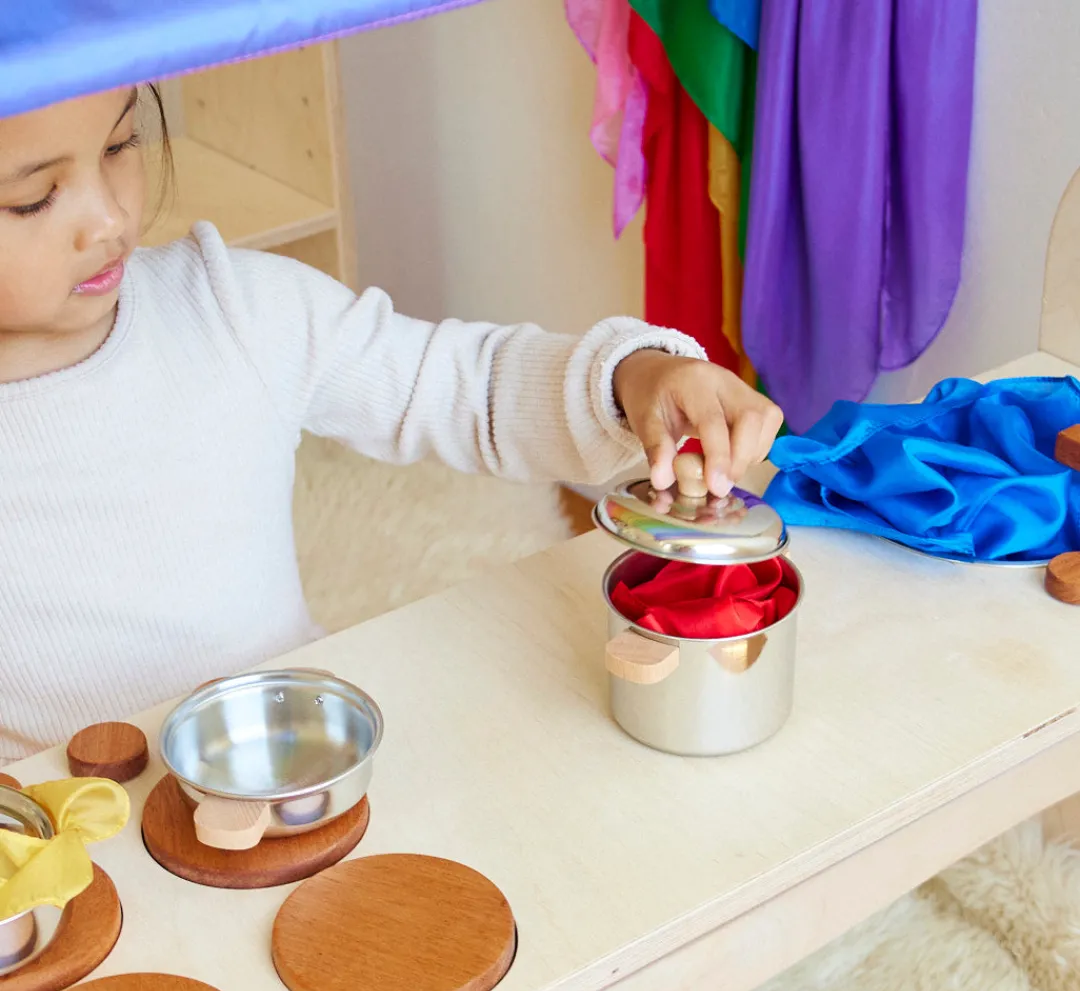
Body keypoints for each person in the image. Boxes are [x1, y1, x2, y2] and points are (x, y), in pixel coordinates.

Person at [0, 86, 783, 763]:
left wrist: (632, 376)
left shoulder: (234, 306)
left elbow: (466, 390)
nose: (106, 219)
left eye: (121, 143)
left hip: (301, 762)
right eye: (33, 196)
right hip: (64, 843)